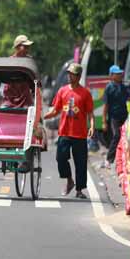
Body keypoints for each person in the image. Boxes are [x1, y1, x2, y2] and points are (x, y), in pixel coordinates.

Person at [44, 63, 94, 199]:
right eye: (69, 73)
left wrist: (92, 126)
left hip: (80, 134)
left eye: (72, 74)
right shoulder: (62, 91)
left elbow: (90, 113)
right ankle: (69, 180)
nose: (69, 76)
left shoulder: (85, 93)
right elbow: (55, 110)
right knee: (60, 158)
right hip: (65, 132)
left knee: (80, 163)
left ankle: (79, 190)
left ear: (78, 76)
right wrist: (43, 116)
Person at [102, 65, 130, 169]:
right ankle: (108, 160)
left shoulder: (123, 87)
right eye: (118, 74)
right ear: (112, 75)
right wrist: (104, 122)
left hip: (124, 116)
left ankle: (127, 159)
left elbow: (129, 99)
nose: (120, 75)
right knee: (116, 136)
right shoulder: (109, 88)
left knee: (128, 136)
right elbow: (105, 106)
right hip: (114, 118)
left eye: (120, 73)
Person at [0, 34, 35, 108]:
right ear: (17, 47)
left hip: (26, 101)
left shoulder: (29, 62)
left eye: (28, 47)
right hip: (9, 101)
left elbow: (36, 84)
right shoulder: (9, 62)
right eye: (25, 47)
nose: (27, 50)